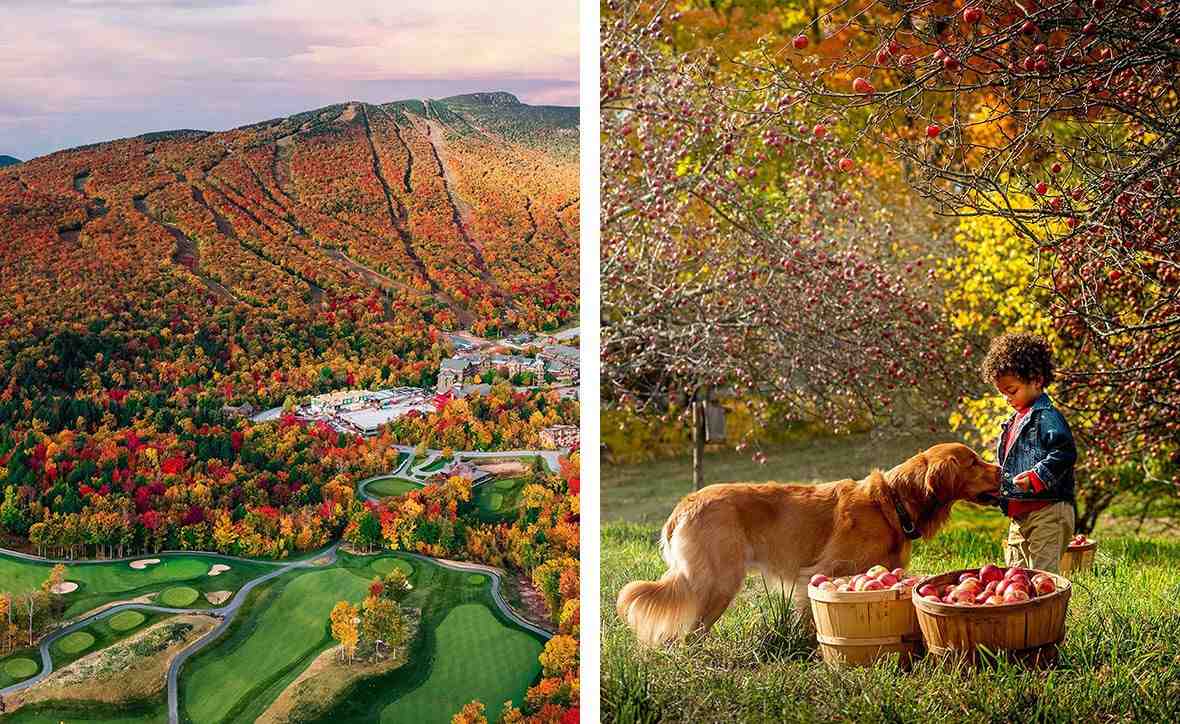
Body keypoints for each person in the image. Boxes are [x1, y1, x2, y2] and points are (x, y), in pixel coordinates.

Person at [981, 332, 1078, 573]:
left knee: (1042, 577)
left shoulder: (1046, 417)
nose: (1006, 399)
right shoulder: (1012, 422)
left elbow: (1064, 452)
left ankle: (1048, 611)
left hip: (1047, 512)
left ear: (1036, 380)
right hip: (1018, 516)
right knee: (1015, 576)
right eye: (1002, 393)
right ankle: (1022, 612)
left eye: (1011, 391)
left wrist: (1036, 477)